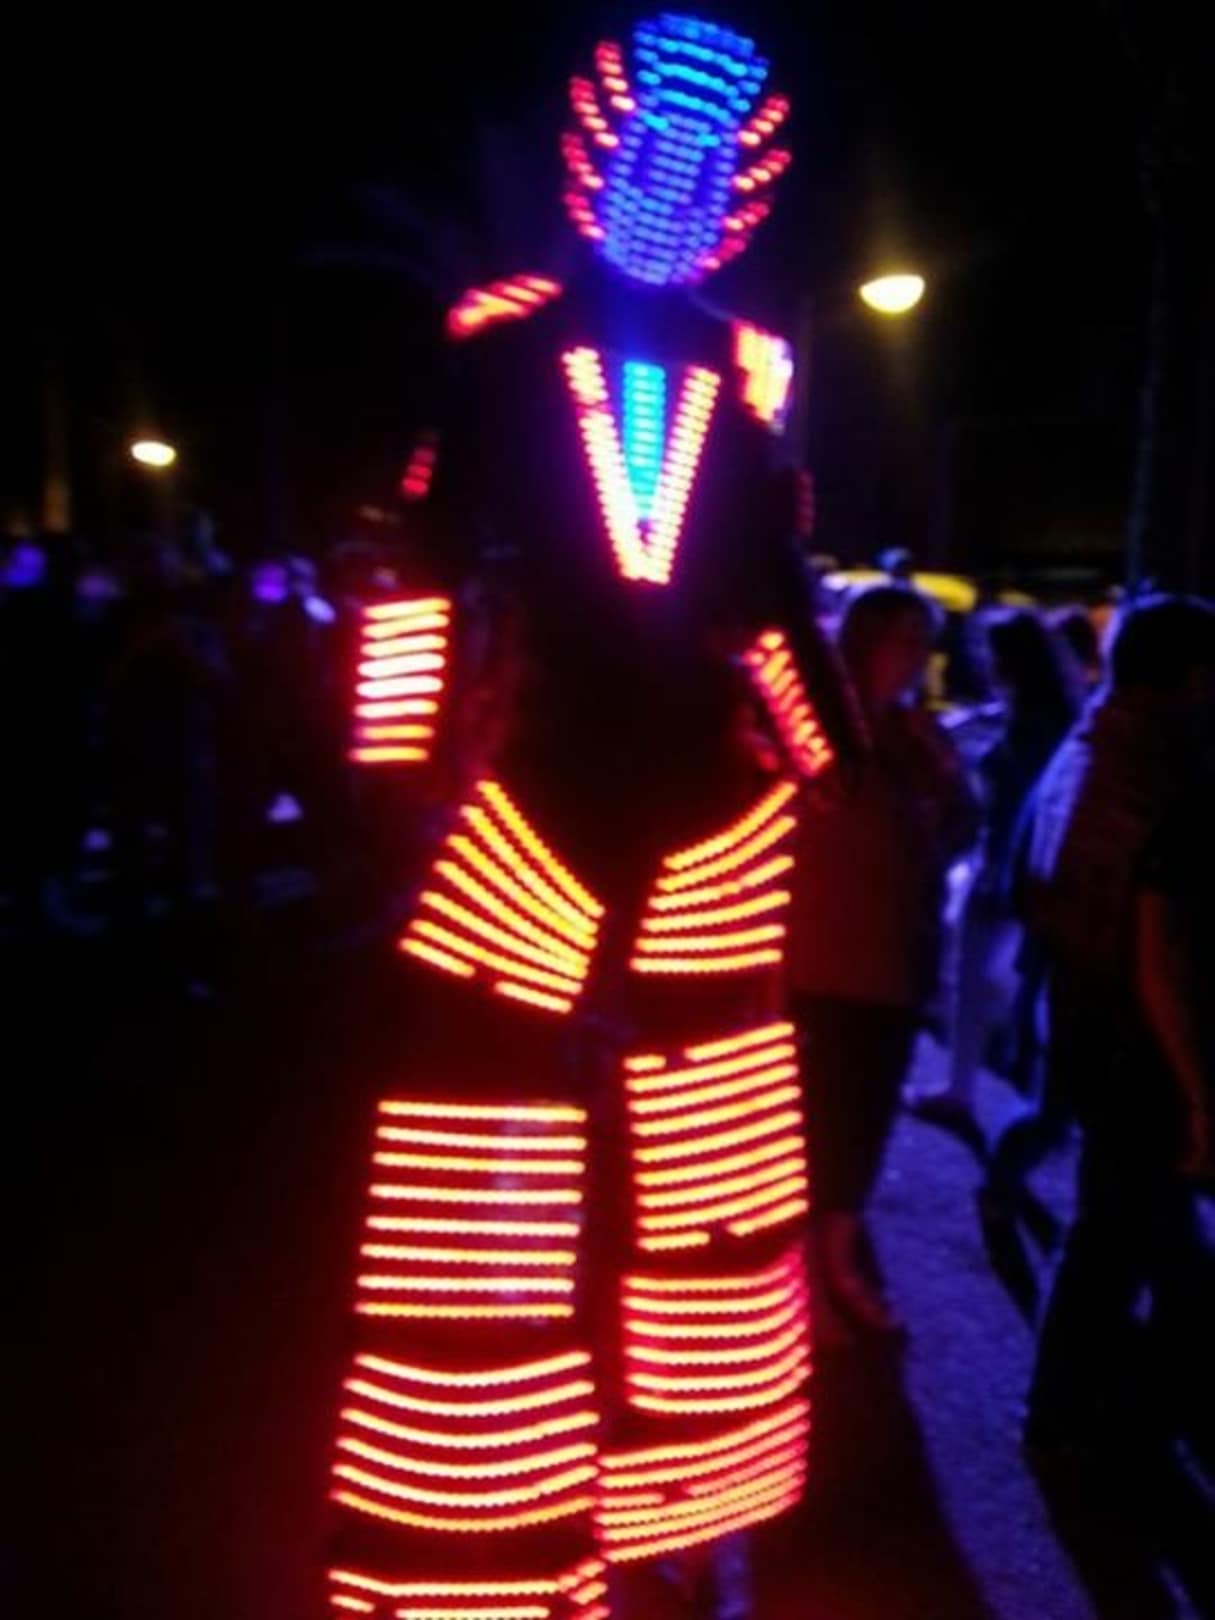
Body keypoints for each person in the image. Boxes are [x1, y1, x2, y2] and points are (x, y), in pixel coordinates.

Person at [1023, 595, 1215, 1457]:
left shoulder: (1090, 743)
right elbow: (1153, 947)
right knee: (1117, 1230)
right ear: (1189, 677)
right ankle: (1068, 1420)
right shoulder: (1157, 770)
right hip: (1129, 1036)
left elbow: (1040, 880)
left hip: (1081, 1013)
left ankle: (1116, 1410)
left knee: (1145, 1228)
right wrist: (1194, 1087)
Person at [789, 584, 979, 1333]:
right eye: (904, 639)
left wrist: (950, 782)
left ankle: (837, 1258)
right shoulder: (817, 728)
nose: (916, 656)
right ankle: (805, 1273)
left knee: (863, 1121)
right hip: (818, 958)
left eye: (923, 641)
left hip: (894, 962)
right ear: (863, 642)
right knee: (810, 1121)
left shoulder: (914, 736)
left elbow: (955, 837)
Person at [908, 609, 1081, 1124]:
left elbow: (1016, 798)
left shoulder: (1028, 727)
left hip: (1004, 866)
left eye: (991, 653)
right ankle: (1007, 1092)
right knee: (998, 981)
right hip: (1021, 866)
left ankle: (965, 1091)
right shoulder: (1046, 718)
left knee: (974, 979)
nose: (984, 661)